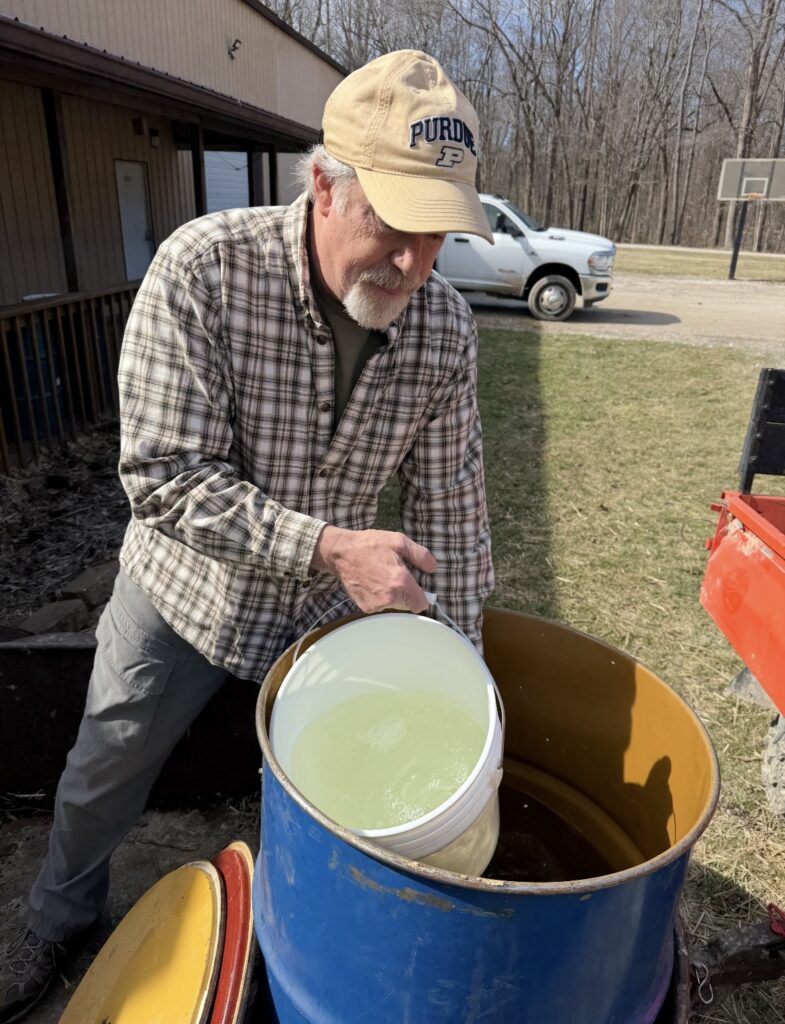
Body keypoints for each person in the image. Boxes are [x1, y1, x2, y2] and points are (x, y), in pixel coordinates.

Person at [0, 49, 495, 1021]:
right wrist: (327, 547)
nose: (413, 262)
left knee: (327, 787)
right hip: (183, 593)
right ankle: (56, 915)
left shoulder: (441, 331)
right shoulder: (203, 270)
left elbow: (453, 513)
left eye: (437, 234)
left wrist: (465, 681)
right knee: (108, 758)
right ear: (321, 184)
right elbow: (161, 479)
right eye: (393, 223)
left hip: (317, 616)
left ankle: (286, 940)